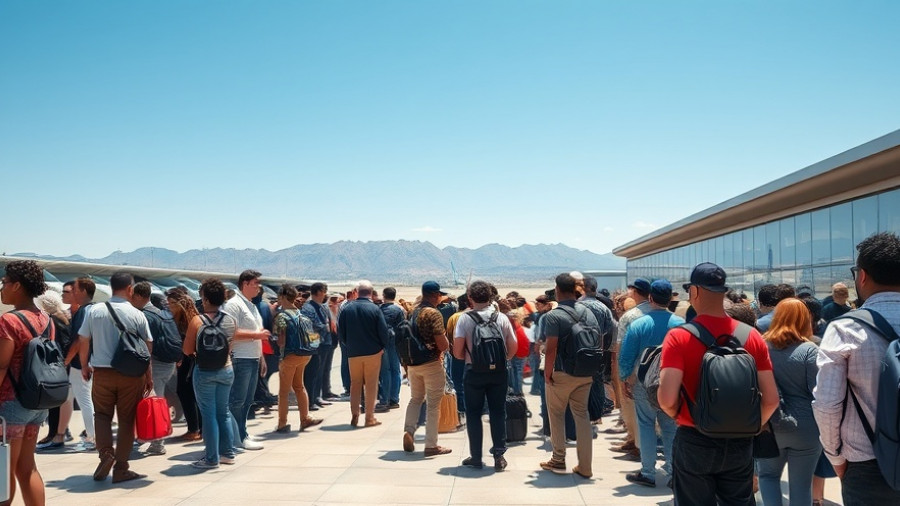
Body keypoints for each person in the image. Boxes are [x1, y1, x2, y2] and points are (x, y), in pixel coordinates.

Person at [657, 262, 779, 505]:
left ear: (695, 291)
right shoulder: (751, 336)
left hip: (694, 438)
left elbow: (667, 399)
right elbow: (772, 400)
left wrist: (681, 416)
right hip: (740, 443)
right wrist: (748, 426)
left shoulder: (679, 337)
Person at [813, 232, 900, 504]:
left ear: (861, 276)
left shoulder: (845, 329)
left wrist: (835, 458)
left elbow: (827, 404)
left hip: (867, 463)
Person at [78, 271, 153, 484]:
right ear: (130, 289)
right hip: (131, 375)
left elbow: (83, 339)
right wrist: (148, 375)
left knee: (101, 416)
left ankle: (105, 455)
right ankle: (121, 468)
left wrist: (84, 365)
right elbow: (148, 346)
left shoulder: (94, 311)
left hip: (102, 373)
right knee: (127, 421)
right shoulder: (138, 314)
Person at [756, 298, 822, 506]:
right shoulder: (810, 350)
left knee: (768, 477)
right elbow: (819, 395)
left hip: (769, 423)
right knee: (801, 485)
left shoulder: (761, 347)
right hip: (806, 428)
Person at [618, 279, 683, 488]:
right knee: (670, 427)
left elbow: (626, 356)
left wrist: (625, 379)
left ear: (651, 298)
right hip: (672, 384)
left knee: (645, 425)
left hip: (643, 383)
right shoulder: (680, 324)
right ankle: (674, 472)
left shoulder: (639, 324)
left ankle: (648, 473)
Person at [0, 260, 54, 504]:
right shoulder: (46, 319)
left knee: (3, 470)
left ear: (18, 285)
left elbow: (2, 366)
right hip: (37, 402)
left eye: (4, 283)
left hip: (10, 404)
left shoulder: (8, 321)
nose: (2, 288)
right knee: (27, 467)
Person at [539, 273, 600, 478]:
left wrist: (547, 374)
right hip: (586, 372)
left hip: (562, 373)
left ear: (557, 290)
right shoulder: (589, 312)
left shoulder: (554, 316)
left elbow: (551, 349)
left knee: (556, 415)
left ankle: (558, 458)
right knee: (582, 417)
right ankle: (586, 467)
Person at [453, 280, 518, 471]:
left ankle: (476, 456)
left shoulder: (465, 319)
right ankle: (499, 455)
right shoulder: (502, 318)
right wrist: (499, 361)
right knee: (498, 412)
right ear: (491, 297)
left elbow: (457, 352)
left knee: (473, 414)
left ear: (470, 298)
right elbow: (513, 347)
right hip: (498, 372)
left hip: (474, 372)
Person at [183, 278, 237, 469]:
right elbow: (229, 347)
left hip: (204, 372)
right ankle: (228, 453)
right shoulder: (231, 321)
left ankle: (212, 458)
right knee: (224, 413)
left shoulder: (197, 321)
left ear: (205, 299)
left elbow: (187, 350)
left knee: (209, 415)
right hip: (226, 369)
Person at [221, 269, 270, 451]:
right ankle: (236, 438)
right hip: (240, 359)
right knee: (237, 401)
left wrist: (261, 357)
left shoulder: (251, 305)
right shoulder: (234, 305)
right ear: (246, 284)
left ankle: (242, 433)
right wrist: (257, 335)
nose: (259, 287)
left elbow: (258, 334)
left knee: (247, 400)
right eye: (256, 283)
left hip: (252, 358)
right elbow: (230, 332)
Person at [402, 281, 452, 457]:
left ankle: (409, 430)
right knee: (433, 405)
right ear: (435, 295)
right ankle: (431, 445)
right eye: (440, 295)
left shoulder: (412, 311)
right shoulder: (433, 313)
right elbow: (442, 344)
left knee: (415, 399)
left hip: (412, 364)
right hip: (430, 363)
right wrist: (447, 343)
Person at [130, 281, 178, 456]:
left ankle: (158, 444)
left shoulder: (144, 316)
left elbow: (145, 347)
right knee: (156, 400)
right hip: (168, 363)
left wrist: (145, 371)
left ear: (139, 296)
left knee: (155, 402)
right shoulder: (161, 313)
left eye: (132, 296)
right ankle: (146, 437)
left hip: (156, 365)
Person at [337, 280, 389, 427]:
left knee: (355, 384)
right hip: (372, 352)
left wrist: (349, 346)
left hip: (353, 353)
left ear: (357, 292)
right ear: (371, 293)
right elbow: (383, 332)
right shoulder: (375, 309)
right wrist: (382, 347)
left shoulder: (347, 309)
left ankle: (355, 414)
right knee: (371, 385)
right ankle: (369, 417)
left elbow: (342, 333)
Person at [611, 278, 652, 459]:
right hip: (659, 370)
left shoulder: (630, 316)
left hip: (634, 371)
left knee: (633, 409)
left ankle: (638, 446)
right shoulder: (661, 314)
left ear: (635, 292)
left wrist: (622, 372)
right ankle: (637, 443)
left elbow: (621, 347)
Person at [274, 284, 322, 433]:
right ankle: (305, 418)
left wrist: (279, 354)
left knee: (283, 391)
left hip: (289, 356)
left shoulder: (282, 316)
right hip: (305, 355)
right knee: (299, 386)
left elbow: (280, 340)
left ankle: (282, 423)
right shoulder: (301, 314)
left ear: (282, 297)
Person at [33, 290, 74, 451]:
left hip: (57, 364)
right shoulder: (64, 316)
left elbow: (60, 343)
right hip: (64, 365)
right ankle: (60, 432)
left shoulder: (53, 320)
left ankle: (54, 434)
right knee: (59, 400)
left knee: (54, 401)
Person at [168, 289, 202, 441]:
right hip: (190, 359)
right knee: (190, 393)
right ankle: (198, 428)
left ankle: (194, 429)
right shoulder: (190, 317)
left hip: (188, 359)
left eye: (172, 304)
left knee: (185, 392)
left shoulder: (186, 321)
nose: (169, 307)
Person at [379, 287, 405, 409]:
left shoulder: (379, 310)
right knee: (396, 370)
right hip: (396, 344)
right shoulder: (398, 310)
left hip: (383, 344)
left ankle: (385, 398)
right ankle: (394, 399)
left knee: (385, 371)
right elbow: (402, 328)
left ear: (384, 295)